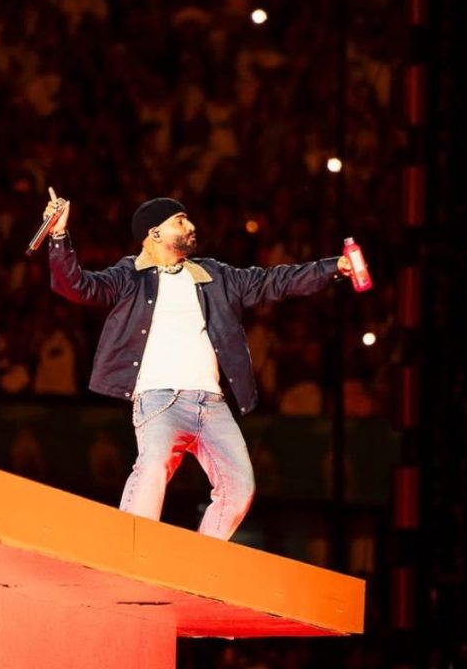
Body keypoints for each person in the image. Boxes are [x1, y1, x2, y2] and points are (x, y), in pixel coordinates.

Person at [44, 193, 354, 541]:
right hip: (161, 400)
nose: (190, 226)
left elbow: (274, 282)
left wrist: (333, 268)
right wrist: (58, 236)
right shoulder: (130, 276)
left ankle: (204, 558)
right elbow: (77, 286)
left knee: (239, 486)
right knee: (151, 472)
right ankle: (129, 554)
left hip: (212, 404)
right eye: (179, 221)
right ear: (154, 233)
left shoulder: (214, 276)